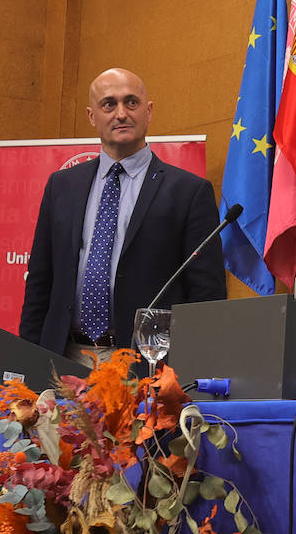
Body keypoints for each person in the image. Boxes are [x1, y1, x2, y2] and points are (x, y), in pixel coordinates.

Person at [20, 68, 226, 363]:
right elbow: (40, 281)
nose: (121, 113)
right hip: (64, 358)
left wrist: (196, 367)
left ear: (148, 111)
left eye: (131, 102)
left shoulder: (189, 192)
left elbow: (207, 296)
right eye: (109, 104)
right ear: (92, 116)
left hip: (146, 364)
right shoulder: (62, 186)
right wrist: (27, 359)